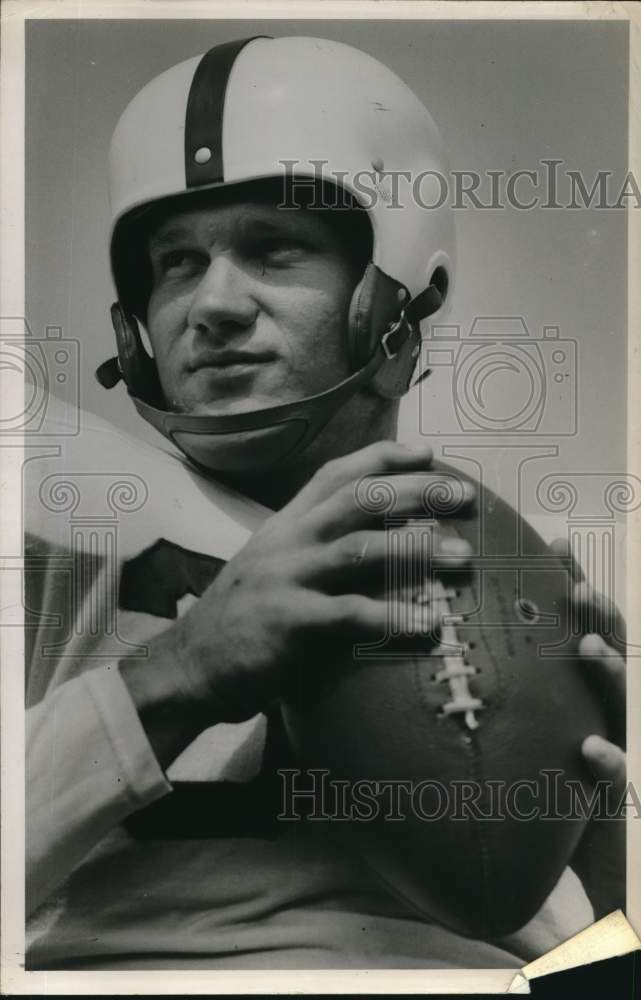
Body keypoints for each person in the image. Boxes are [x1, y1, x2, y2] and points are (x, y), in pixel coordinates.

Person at [25, 35, 626, 970]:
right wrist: (171, 677)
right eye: (177, 262)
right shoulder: (44, 513)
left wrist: (603, 870)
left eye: (274, 249)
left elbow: (585, 977)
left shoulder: (513, 577)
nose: (212, 304)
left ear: (389, 292)